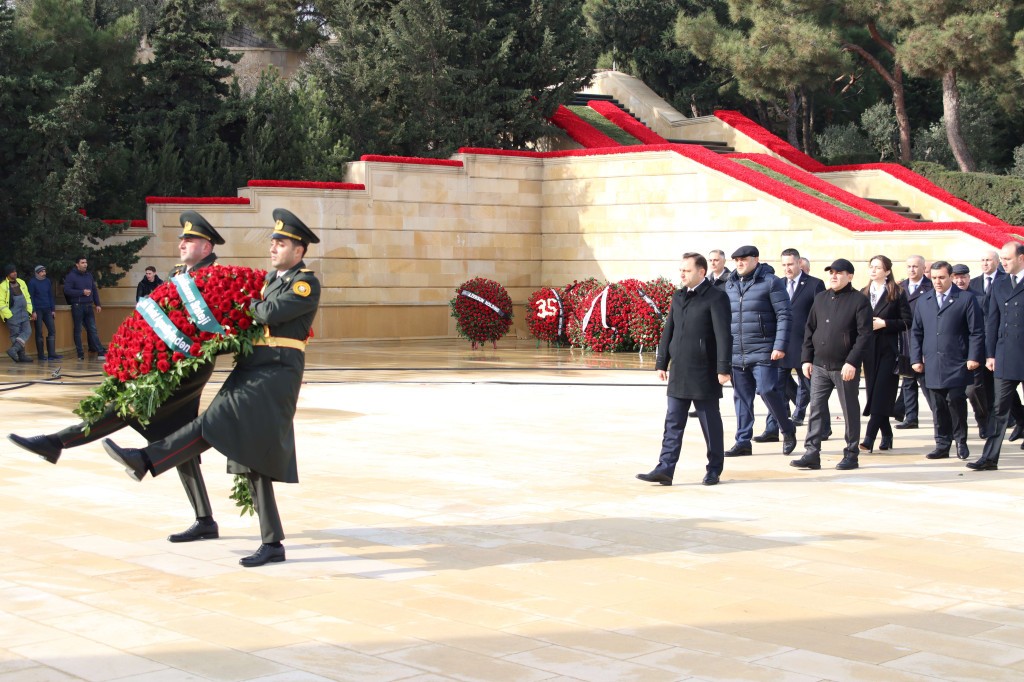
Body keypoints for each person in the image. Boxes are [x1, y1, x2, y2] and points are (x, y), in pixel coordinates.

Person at [102, 208, 321, 567]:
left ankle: (146, 460)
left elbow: (267, 314)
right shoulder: (270, 280)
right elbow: (254, 312)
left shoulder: (304, 282)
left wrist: (252, 305)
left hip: (278, 373)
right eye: (273, 241)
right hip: (254, 368)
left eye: (281, 243)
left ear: (299, 252)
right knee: (245, 456)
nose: (273, 247)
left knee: (215, 425)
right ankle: (272, 542)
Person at [8, 212, 227, 544]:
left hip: (188, 365)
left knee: (129, 406)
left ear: (206, 246)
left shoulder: (215, 278)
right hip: (168, 360)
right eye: (182, 238)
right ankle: (205, 519)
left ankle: (58, 442)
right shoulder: (182, 274)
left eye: (190, 240)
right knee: (176, 437)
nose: (182, 243)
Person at [636, 252, 732, 486]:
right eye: (681, 270)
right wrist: (662, 362)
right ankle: (665, 468)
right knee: (673, 423)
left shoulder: (716, 297)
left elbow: (723, 336)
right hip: (679, 370)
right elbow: (669, 330)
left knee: (710, 423)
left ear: (701, 272)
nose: (682, 274)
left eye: (687, 270)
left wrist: (723, 368)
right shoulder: (678, 297)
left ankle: (714, 469)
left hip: (705, 372)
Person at [790, 258, 872, 470]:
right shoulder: (821, 298)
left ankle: (851, 454)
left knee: (849, 410)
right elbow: (810, 329)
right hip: (819, 365)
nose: (834, 276)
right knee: (816, 409)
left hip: (844, 367)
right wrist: (806, 358)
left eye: (839, 273)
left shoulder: (859, 300)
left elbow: (864, 335)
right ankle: (811, 453)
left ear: (850, 276)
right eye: (831, 272)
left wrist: (852, 362)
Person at [722, 245, 797, 457]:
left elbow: (784, 314)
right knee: (742, 398)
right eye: (736, 260)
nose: (739, 263)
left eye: (743, 259)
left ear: (756, 259)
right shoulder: (730, 284)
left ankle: (787, 427)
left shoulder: (770, 282)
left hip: (764, 349)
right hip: (737, 352)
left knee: (767, 390)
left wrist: (779, 345)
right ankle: (743, 441)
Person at [910, 262, 984, 461]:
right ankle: (942, 444)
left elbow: (976, 331)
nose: (937, 282)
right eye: (934, 278)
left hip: (957, 361)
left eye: (941, 277)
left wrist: (973, 357)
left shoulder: (966, 299)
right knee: (938, 405)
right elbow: (916, 332)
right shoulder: (924, 300)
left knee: (955, 401)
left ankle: (960, 441)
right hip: (932, 363)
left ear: (950, 276)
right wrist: (916, 358)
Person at [755, 248, 825, 441]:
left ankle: (823, 428)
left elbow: (820, 317)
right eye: (784, 265)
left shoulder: (814, 284)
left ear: (799, 263)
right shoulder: (776, 284)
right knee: (773, 389)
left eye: (790, 264)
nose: (787, 268)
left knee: (815, 390)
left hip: (805, 346)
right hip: (780, 346)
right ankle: (773, 428)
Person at [968, 242, 1024, 471]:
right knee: (999, 409)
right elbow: (992, 321)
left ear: (1021, 258)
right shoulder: (1000, 284)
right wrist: (990, 353)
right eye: (1002, 259)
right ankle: (989, 458)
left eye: (1008, 259)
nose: (1003, 263)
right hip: (1006, 354)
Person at [860, 255, 912, 453]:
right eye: (871, 267)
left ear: (887, 271)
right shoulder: (863, 293)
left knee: (881, 393)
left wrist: (885, 323)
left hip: (889, 350)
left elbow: (907, 321)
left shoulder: (897, 293)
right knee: (874, 394)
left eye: (878, 267)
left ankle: (869, 438)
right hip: (869, 351)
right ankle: (887, 434)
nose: (873, 271)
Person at [952, 264, 992, 437]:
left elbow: (985, 328)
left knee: (974, 390)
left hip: (973, 353)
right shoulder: (946, 298)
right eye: (957, 277)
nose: (960, 280)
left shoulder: (980, 298)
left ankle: (983, 421)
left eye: (964, 277)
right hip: (952, 353)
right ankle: (955, 429)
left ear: (969, 278)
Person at [893, 255, 933, 429]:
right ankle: (911, 417)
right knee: (908, 382)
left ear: (923, 268)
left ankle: (942, 416)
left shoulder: (930, 287)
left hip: (924, 341)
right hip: (904, 341)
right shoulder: (899, 288)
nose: (912, 270)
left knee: (927, 384)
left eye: (915, 266)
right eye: (909, 266)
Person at [63, 256, 106, 361]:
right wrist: (82, 292)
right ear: (77, 264)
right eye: (82, 263)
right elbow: (67, 290)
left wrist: (98, 304)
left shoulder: (89, 275)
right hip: (77, 306)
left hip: (88, 306)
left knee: (92, 329)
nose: (85, 264)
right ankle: (80, 353)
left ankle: (100, 351)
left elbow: (94, 290)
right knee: (78, 330)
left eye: (85, 262)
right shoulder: (71, 276)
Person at [1, 264, 36, 363]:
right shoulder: (3, 286)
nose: (15, 273)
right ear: (8, 274)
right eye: (12, 271)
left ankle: (13, 350)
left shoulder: (21, 282)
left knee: (27, 331)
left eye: (15, 271)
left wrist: (30, 311)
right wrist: (8, 315)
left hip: (24, 313)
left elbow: (27, 297)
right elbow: (1, 302)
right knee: (15, 335)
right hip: (13, 314)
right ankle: (21, 356)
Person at [27, 265, 61, 361]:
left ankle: (51, 354)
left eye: (45, 271)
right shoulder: (32, 282)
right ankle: (41, 355)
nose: (44, 273)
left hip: (47, 310)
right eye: (42, 271)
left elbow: (50, 296)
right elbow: (31, 298)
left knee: (52, 330)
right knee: (39, 332)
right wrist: (33, 311)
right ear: (37, 273)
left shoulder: (47, 281)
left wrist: (53, 310)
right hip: (38, 310)